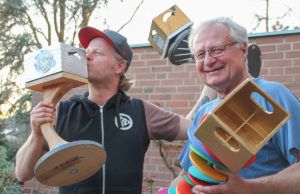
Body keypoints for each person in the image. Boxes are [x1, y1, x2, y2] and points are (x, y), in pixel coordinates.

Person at [15, 26, 193, 194]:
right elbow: (22, 173)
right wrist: (36, 134)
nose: (87, 57)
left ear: (119, 66)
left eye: (97, 53)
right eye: (86, 52)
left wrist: (183, 175)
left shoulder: (141, 111)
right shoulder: (62, 111)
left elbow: (197, 130)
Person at [171, 17, 300, 194]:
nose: (208, 61)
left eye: (216, 50)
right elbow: (184, 176)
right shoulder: (204, 111)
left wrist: (248, 188)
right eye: (200, 55)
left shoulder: (272, 96)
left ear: (244, 50)